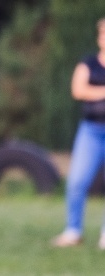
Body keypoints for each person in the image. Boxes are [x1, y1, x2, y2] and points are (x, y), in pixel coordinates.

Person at [52, 18, 105, 249]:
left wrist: (96, 91)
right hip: (91, 130)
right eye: (102, 33)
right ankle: (73, 231)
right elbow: (78, 90)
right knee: (77, 181)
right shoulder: (88, 63)